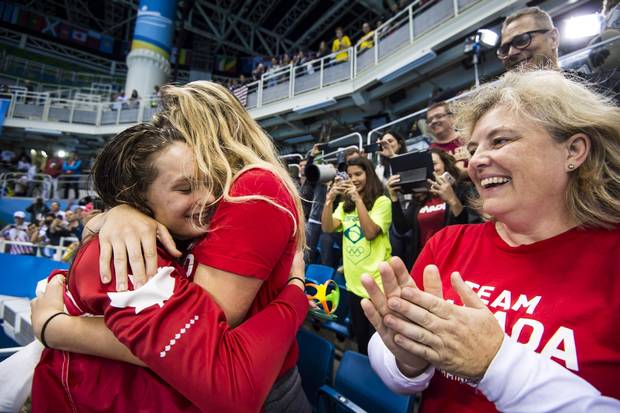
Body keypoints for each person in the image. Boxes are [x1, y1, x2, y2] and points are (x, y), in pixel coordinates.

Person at [33, 80, 311, 412]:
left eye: (176, 131)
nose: (164, 138)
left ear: (204, 134)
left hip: (262, 389)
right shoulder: (210, 199)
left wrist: (59, 329)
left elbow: (200, 338)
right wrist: (118, 213)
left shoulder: (253, 187)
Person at [362, 70, 620, 412]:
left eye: (500, 141)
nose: (476, 161)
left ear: (573, 150)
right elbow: (396, 371)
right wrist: (408, 360)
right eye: (473, 148)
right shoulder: (448, 243)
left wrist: (494, 364)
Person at [321, 157, 392, 354]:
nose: (353, 179)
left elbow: (370, 233)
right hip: (353, 284)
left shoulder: (382, 202)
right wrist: (329, 200)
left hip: (376, 285)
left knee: (378, 340)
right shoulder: (345, 206)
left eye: (358, 174)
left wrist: (358, 200)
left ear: (369, 174)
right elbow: (327, 227)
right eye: (350, 176)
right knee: (362, 340)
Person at [386, 148, 474, 268]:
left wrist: (452, 199)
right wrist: (394, 198)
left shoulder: (461, 189)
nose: (431, 168)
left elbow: (468, 225)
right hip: (428, 261)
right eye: (427, 165)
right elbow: (402, 228)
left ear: (445, 165)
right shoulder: (420, 196)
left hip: (456, 258)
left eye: (434, 164)